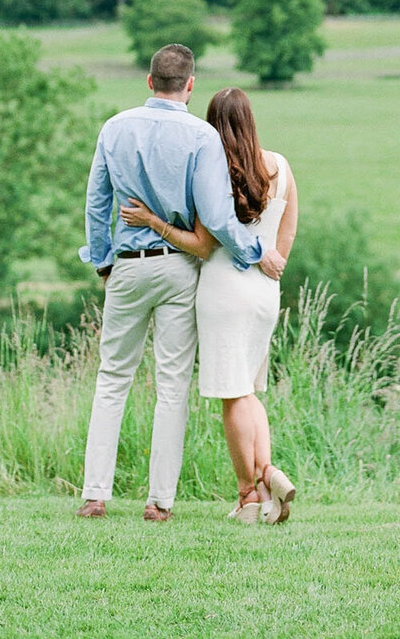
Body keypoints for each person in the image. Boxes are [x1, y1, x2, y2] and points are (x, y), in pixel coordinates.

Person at [76, 44, 284, 522]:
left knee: (112, 379)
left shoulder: (115, 128)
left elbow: (96, 204)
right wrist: (256, 252)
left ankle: (95, 494)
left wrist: (104, 261)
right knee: (172, 385)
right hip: (177, 268)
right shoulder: (201, 137)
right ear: (190, 86)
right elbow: (215, 215)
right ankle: (159, 502)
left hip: (128, 264)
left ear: (149, 82)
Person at [121, 85, 299, 524]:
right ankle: (265, 481)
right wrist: (273, 266)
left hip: (224, 289)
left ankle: (251, 492)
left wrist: (153, 222)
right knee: (250, 389)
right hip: (264, 291)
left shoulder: (215, 171)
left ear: (213, 123)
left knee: (231, 392)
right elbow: (288, 230)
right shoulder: (279, 165)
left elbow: (202, 246)